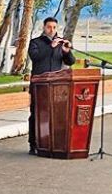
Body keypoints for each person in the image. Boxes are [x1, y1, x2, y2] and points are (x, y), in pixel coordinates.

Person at [26, 16, 76, 153]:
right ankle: (34, 144)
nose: (52, 30)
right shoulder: (35, 42)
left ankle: (54, 143)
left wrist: (67, 51)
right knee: (37, 114)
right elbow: (35, 57)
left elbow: (70, 62)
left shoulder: (61, 43)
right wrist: (50, 47)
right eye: (49, 27)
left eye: (54, 27)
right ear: (44, 27)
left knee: (57, 114)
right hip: (39, 85)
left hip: (58, 86)